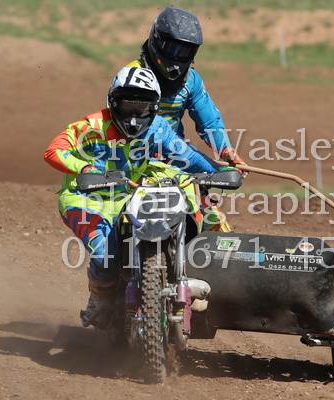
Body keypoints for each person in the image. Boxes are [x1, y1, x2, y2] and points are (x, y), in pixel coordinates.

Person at [44, 66, 228, 328]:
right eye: (127, 106)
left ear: (154, 108)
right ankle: (99, 298)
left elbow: (187, 156)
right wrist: (84, 168)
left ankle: (179, 276)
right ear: (113, 102)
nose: (133, 117)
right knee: (104, 257)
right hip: (85, 199)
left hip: (129, 194)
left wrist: (217, 172)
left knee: (172, 212)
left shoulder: (158, 128)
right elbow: (53, 151)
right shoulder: (91, 126)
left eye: (141, 108)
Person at [120, 7, 246, 231]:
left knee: (210, 215)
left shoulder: (191, 81)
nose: (178, 58)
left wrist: (225, 149)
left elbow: (209, 121)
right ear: (157, 42)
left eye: (186, 51)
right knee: (116, 214)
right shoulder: (131, 77)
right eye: (173, 49)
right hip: (133, 159)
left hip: (178, 159)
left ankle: (214, 247)